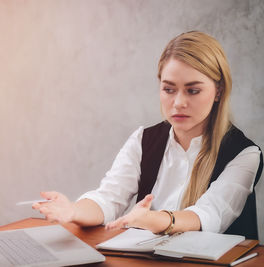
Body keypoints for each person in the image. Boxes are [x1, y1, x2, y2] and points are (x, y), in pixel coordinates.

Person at [32, 31, 263, 239]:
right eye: (169, 89)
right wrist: (74, 210)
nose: (179, 102)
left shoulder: (245, 154)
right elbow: (109, 198)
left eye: (193, 90)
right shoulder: (143, 140)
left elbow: (208, 215)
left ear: (218, 91)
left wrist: (150, 219)